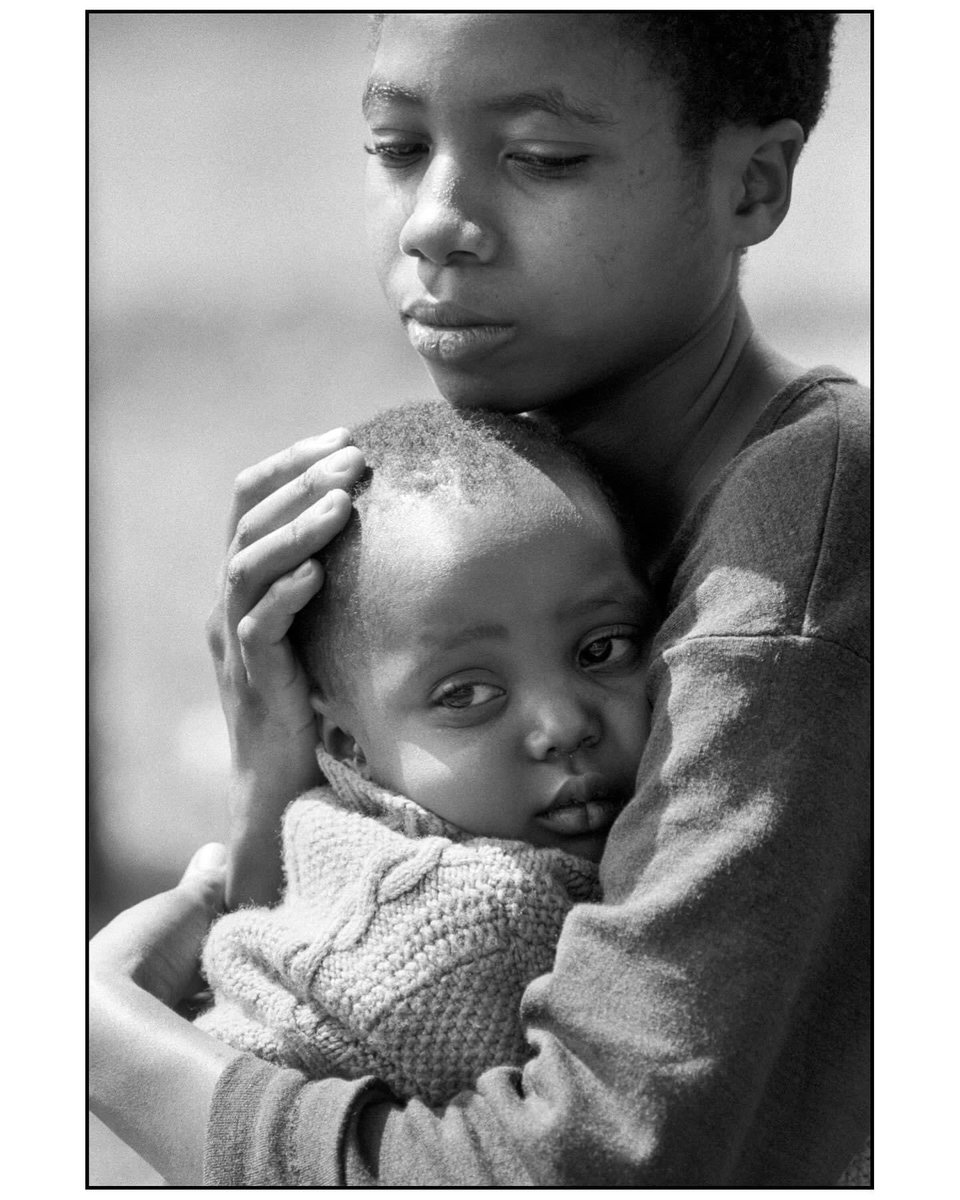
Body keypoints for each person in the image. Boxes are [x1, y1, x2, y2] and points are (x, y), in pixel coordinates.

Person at [89, 11, 870, 1186]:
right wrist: (285, 802)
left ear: (754, 182)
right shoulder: (519, 508)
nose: (436, 224)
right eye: (399, 147)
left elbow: (575, 1162)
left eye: (543, 158)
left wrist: (102, 1046)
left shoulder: (795, 555)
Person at [194, 400, 655, 1106]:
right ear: (349, 746)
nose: (563, 725)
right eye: (466, 694)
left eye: (601, 650)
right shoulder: (464, 924)